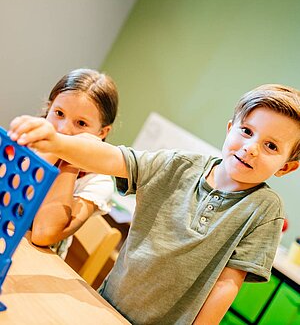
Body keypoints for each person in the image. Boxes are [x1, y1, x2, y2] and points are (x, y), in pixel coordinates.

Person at [8, 83, 300, 324]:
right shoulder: (176, 164)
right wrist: (56, 142)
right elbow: (112, 158)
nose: (251, 148)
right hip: (103, 306)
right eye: (247, 131)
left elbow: (226, 285)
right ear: (230, 128)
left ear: (286, 167)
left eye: (271, 146)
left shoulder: (264, 209)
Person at [29, 68, 119, 258]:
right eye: (59, 113)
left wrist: (71, 160)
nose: (64, 130)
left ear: (101, 133)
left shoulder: (98, 183)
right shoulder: (27, 143)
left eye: (81, 124)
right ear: (49, 108)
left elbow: (43, 234)